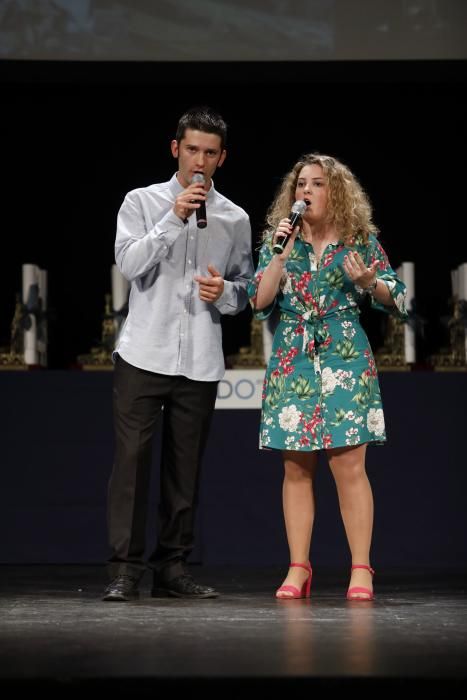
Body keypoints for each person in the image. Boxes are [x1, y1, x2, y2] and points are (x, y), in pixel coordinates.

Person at [103, 106, 254, 602]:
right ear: (176, 149)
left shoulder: (235, 218)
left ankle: (172, 569)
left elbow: (246, 288)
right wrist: (175, 217)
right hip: (144, 353)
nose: (200, 161)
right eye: (192, 150)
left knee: (184, 470)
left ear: (222, 158)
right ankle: (124, 571)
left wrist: (225, 293)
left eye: (210, 153)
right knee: (131, 466)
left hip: (200, 361)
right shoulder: (141, 202)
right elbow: (129, 264)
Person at [248, 153, 407, 601]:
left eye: (316, 184)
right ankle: (298, 567)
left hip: (345, 356)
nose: (306, 192)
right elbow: (258, 301)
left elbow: (397, 297)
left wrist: (369, 282)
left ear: (335, 192)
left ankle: (361, 568)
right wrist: (279, 254)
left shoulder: (359, 240)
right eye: (301, 184)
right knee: (296, 467)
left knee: (349, 467)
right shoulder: (281, 241)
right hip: (292, 357)